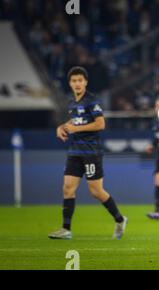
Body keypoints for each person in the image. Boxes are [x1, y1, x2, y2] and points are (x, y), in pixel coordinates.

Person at [48, 66, 127, 240]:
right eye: (74, 81)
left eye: (80, 80)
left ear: (85, 82)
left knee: (96, 192)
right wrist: (62, 127)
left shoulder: (92, 101)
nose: (77, 84)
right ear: (70, 83)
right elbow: (74, 120)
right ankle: (66, 229)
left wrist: (76, 128)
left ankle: (120, 219)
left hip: (91, 152)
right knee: (68, 188)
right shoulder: (72, 103)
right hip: (74, 152)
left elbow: (100, 124)